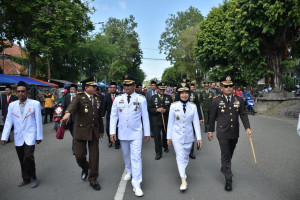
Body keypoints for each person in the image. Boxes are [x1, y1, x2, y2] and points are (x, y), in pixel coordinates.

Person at [208, 75, 252, 192]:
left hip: (234, 132)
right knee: (225, 154)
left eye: (230, 86)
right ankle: (228, 178)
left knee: (230, 152)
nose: (228, 88)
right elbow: (212, 118)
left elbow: (243, 114)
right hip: (222, 132)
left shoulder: (239, 100)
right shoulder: (216, 100)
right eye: (226, 86)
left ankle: (224, 167)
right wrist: (210, 131)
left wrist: (247, 127)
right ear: (221, 88)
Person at [110, 74, 150, 197]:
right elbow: (113, 116)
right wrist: (112, 132)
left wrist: (147, 133)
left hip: (136, 132)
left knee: (136, 157)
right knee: (126, 155)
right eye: (124, 85)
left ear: (134, 86)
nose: (126, 87)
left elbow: (145, 117)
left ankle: (137, 184)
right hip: (122, 132)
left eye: (129, 85)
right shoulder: (118, 99)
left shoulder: (141, 99)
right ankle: (129, 169)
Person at [62, 76, 104, 191]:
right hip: (81, 131)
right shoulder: (79, 97)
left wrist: (101, 130)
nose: (95, 88)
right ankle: (85, 168)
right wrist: (67, 113)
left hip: (94, 131)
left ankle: (93, 179)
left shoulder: (98, 98)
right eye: (93, 86)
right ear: (86, 88)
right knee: (79, 155)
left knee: (94, 157)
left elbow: (99, 116)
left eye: (95, 86)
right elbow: (72, 106)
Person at [1, 81, 43, 188]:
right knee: (21, 158)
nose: (21, 93)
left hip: (30, 135)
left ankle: (33, 177)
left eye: (23, 91)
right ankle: (26, 178)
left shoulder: (35, 104)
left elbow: (38, 121)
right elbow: (8, 122)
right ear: (16, 92)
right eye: (18, 91)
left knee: (28, 157)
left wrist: (39, 136)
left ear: (27, 92)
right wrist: (4, 137)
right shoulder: (12, 105)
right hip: (18, 135)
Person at [167, 82, 202, 191]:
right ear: (178, 94)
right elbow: (170, 123)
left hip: (189, 136)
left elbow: (196, 123)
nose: (184, 95)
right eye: (182, 93)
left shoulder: (193, 106)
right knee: (180, 157)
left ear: (189, 94)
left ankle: (182, 172)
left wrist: (199, 138)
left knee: (185, 156)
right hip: (176, 135)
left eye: (186, 92)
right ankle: (183, 180)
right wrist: (169, 137)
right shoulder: (173, 106)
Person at [148, 82, 173, 160]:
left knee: (165, 135)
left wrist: (166, 110)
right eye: (160, 89)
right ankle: (158, 153)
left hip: (166, 120)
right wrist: (156, 110)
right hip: (156, 120)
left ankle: (165, 146)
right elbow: (149, 109)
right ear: (157, 89)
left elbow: (172, 109)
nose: (162, 90)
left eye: (163, 89)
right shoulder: (153, 98)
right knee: (157, 137)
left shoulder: (168, 97)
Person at [102, 82, 120, 149]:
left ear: (116, 88)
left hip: (118, 116)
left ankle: (117, 143)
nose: (112, 89)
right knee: (107, 129)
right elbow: (104, 106)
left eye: (114, 87)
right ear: (109, 88)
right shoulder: (106, 96)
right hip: (109, 116)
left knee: (117, 129)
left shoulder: (120, 96)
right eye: (111, 87)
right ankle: (110, 141)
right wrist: (102, 115)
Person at [188, 83, 204, 159]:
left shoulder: (195, 95)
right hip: (184, 118)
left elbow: (198, 106)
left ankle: (191, 152)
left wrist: (200, 118)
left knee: (192, 135)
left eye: (192, 87)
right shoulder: (181, 94)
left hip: (193, 117)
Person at [64, 84, 78, 152]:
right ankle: (77, 141)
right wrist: (62, 117)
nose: (71, 91)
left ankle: (74, 148)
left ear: (76, 91)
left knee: (75, 133)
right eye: (71, 89)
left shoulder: (78, 97)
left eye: (73, 89)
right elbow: (65, 107)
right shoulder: (67, 97)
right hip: (69, 119)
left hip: (76, 118)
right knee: (72, 133)